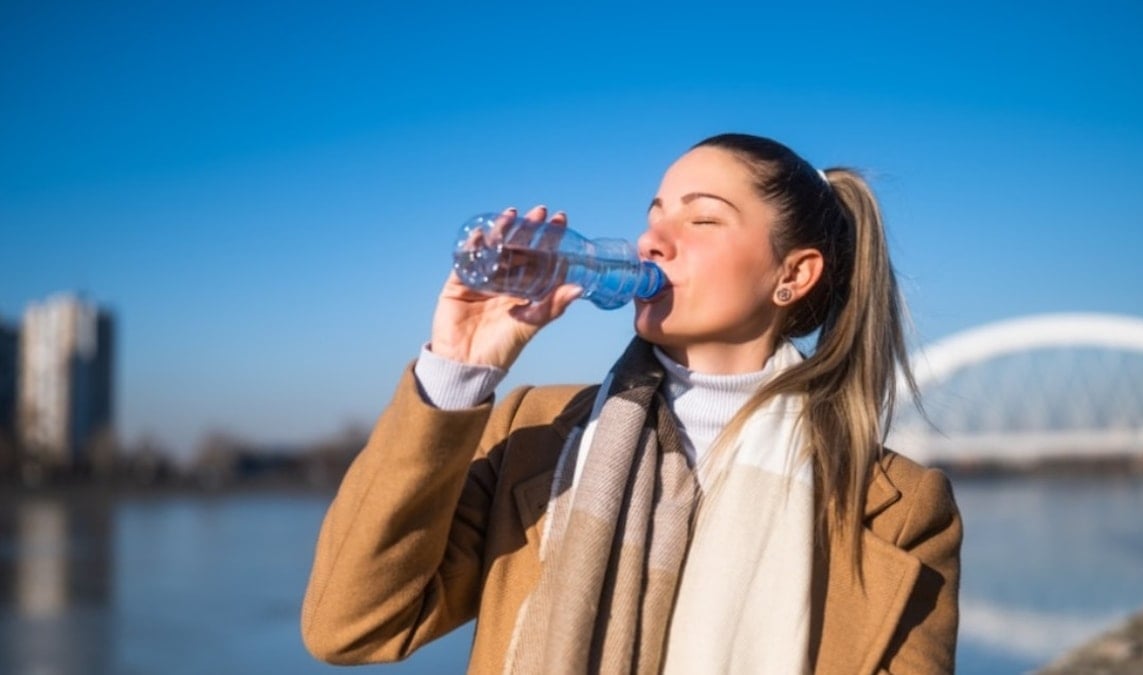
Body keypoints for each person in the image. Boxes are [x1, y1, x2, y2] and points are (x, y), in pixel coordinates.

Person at [301, 133, 962, 674]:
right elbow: (351, 626)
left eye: (701, 219)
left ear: (792, 274)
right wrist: (455, 369)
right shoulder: (540, 433)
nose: (652, 240)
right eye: (653, 215)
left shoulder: (898, 509)